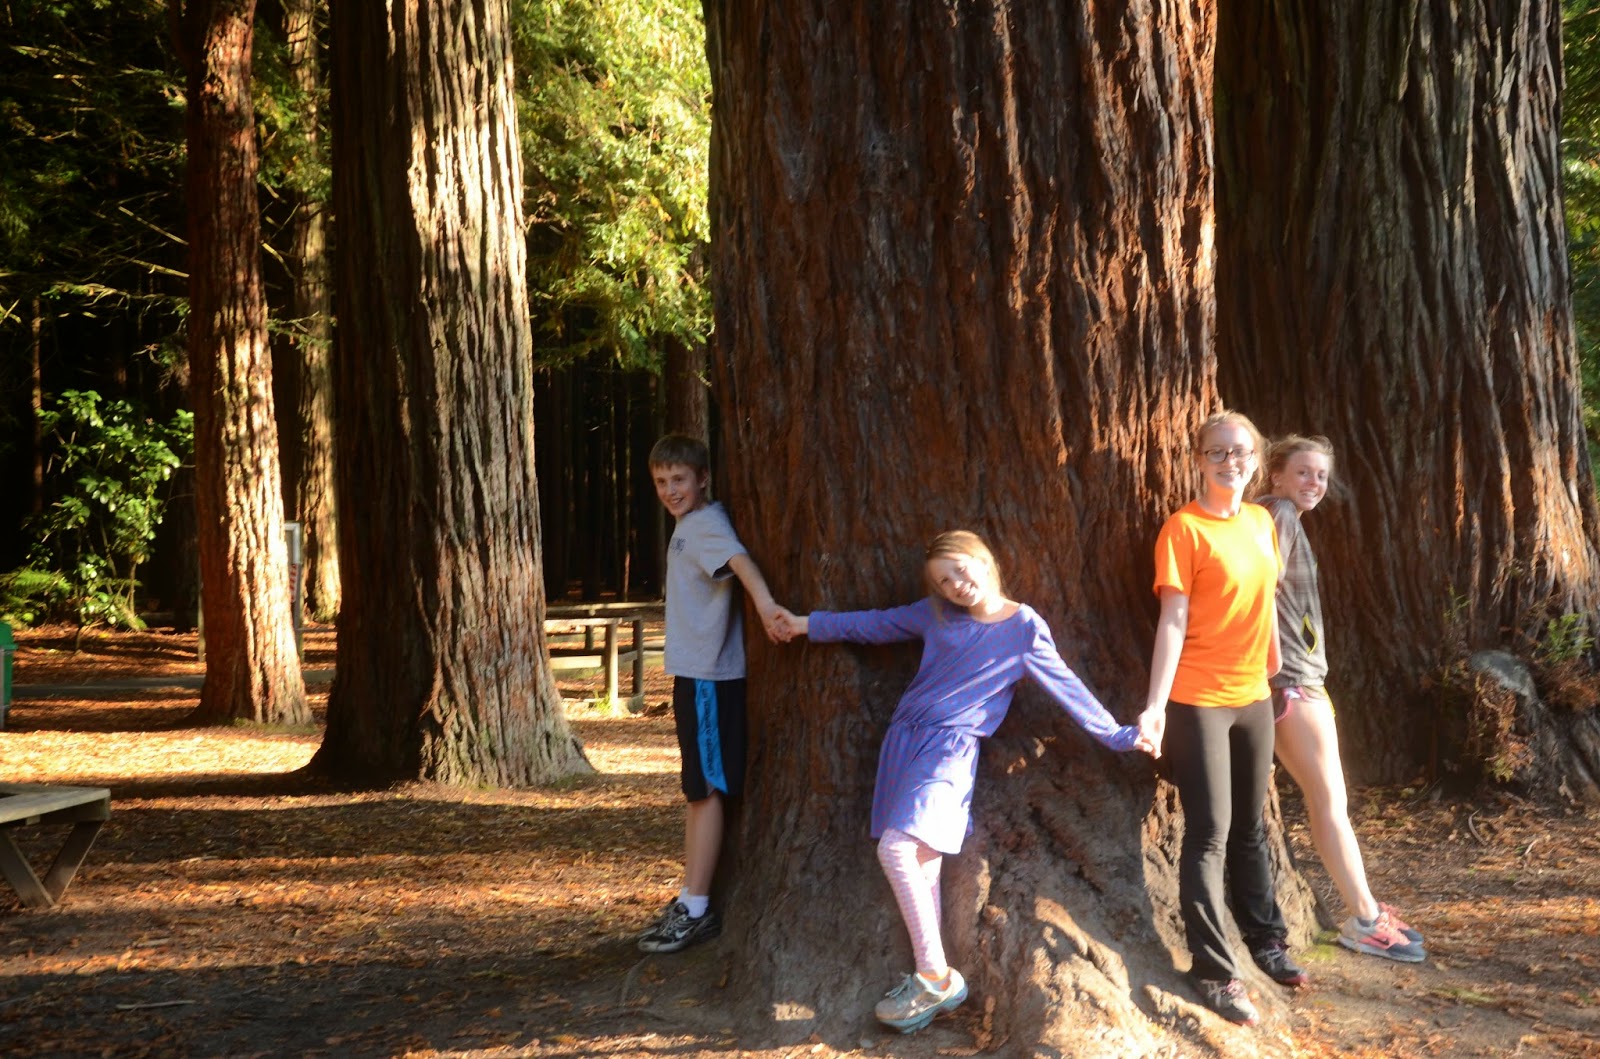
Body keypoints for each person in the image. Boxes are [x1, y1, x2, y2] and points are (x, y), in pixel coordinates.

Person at [775, 531, 1157, 1034]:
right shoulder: (935, 615)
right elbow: (874, 624)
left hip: (950, 753)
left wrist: (1122, 735)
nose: (957, 584)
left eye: (962, 569)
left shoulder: (1023, 627)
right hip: (904, 743)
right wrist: (805, 625)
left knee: (895, 850)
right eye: (944, 580)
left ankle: (936, 975)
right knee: (923, 864)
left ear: (984, 560)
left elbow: (1068, 687)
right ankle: (927, 977)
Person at [1138, 410, 1304, 1027]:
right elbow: (1173, 621)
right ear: (1199, 459)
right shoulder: (1183, 530)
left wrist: (1275, 664)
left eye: (1239, 452)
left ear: (1256, 458)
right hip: (1198, 698)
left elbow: (1266, 598)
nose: (1229, 462)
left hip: (1254, 693)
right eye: (1216, 452)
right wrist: (1156, 707)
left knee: (1252, 826)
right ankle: (1214, 970)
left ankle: (1267, 940)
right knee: (1209, 832)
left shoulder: (1262, 520)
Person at [1258, 434, 1426, 962]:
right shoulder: (1278, 513)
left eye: (1322, 476)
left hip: (1301, 679)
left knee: (1332, 801)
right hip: (1292, 684)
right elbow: (1258, 592)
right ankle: (1364, 919)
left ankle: (1366, 906)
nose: (1314, 483)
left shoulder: (1283, 516)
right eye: (1304, 472)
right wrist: (1273, 669)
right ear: (1277, 474)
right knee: (1330, 803)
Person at [636, 434, 786, 954]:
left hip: (709, 682)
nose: (670, 490)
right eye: (661, 482)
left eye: (679, 479)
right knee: (699, 791)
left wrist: (766, 608)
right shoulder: (690, 525)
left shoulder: (704, 525)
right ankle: (690, 898)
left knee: (705, 791)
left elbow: (739, 561)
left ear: (702, 478)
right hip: (695, 677)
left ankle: (695, 906)